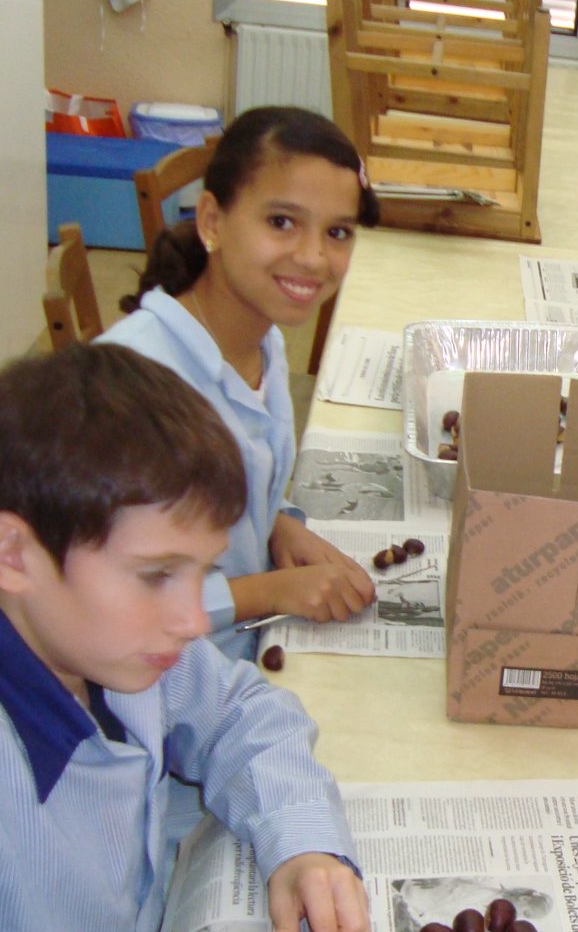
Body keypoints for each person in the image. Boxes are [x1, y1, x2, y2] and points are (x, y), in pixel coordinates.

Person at [0, 343, 369, 932]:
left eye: (201, 573)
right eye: (158, 575)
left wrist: (303, 842)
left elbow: (239, 708)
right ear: (12, 555)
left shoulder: (96, 641)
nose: (195, 617)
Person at [102, 105, 380, 663]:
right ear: (211, 222)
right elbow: (110, 603)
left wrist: (276, 525)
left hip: (242, 648)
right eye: (281, 222)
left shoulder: (263, 338)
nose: (313, 257)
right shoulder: (133, 389)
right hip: (163, 681)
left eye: (337, 232)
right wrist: (269, 591)